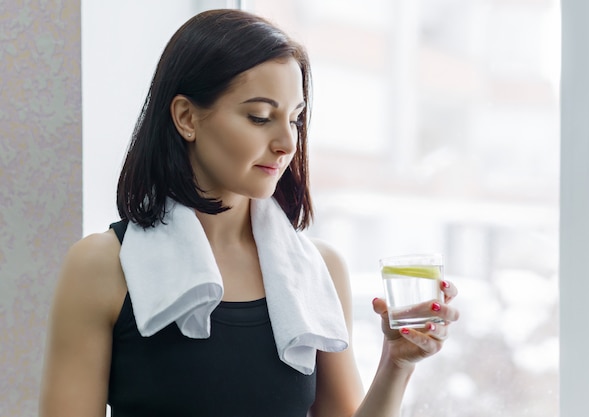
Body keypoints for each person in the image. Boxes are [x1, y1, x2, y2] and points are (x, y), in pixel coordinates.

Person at [39, 8, 459, 417]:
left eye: (295, 119)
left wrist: (397, 363)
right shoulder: (102, 267)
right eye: (260, 117)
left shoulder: (318, 269)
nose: (287, 142)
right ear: (186, 117)